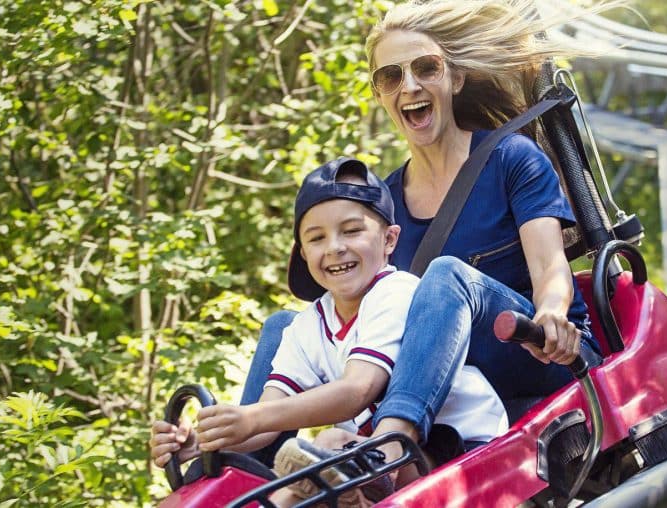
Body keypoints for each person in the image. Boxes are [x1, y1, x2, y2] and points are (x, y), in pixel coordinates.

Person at [242, 0, 616, 474]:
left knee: (445, 277)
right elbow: (361, 309)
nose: (411, 86)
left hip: (535, 347)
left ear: (454, 79)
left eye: (426, 69)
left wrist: (551, 315)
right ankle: (230, 464)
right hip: (444, 371)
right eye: (392, 77)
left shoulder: (511, 160)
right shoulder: (384, 203)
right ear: (380, 94)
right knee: (283, 328)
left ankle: (389, 449)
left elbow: (549, 268)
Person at [149, 157, 508, 506]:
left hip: (460, 445)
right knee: (321, 459)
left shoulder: (395, 291)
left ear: (389, 240)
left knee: (331, 446)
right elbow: (268, 418)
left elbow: (357, 389)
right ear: (303, 253)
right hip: (375, 459)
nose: (335, 248)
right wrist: (203, 442)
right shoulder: (306, 327)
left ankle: (344, 480)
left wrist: (252, 417)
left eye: (352, 231)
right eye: (317, 238)